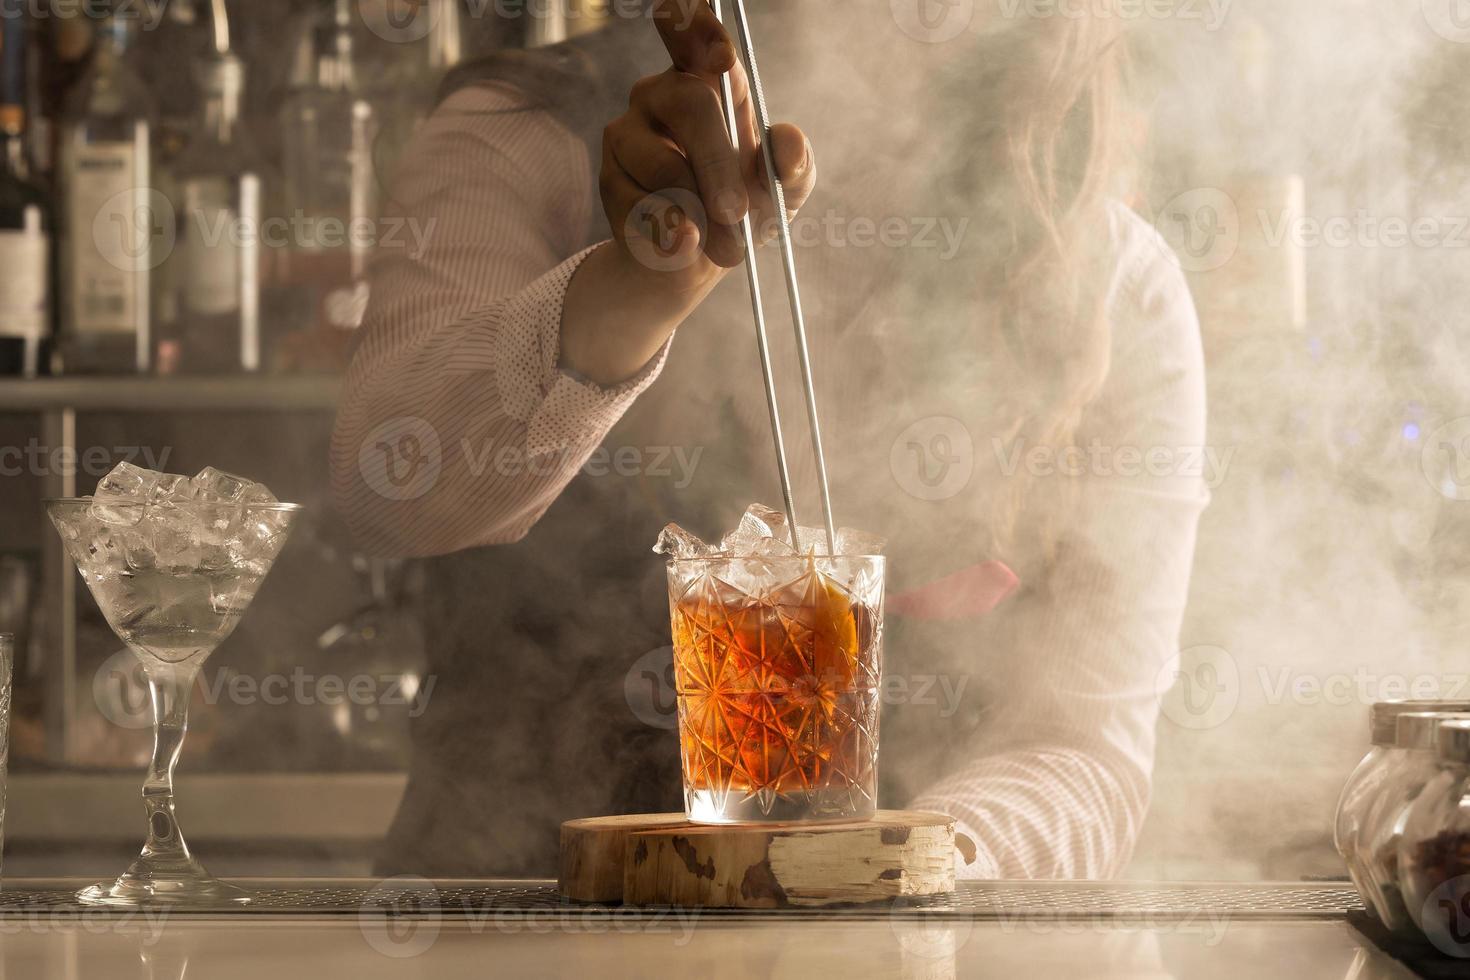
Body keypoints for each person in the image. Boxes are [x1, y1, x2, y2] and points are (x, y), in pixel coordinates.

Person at [331, 0, 1208, 878]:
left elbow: (1082, 748)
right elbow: (387, 499)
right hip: (499, 929)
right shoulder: (526, 132)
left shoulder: (1108, 280)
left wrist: (886, 874)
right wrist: (636, 290)